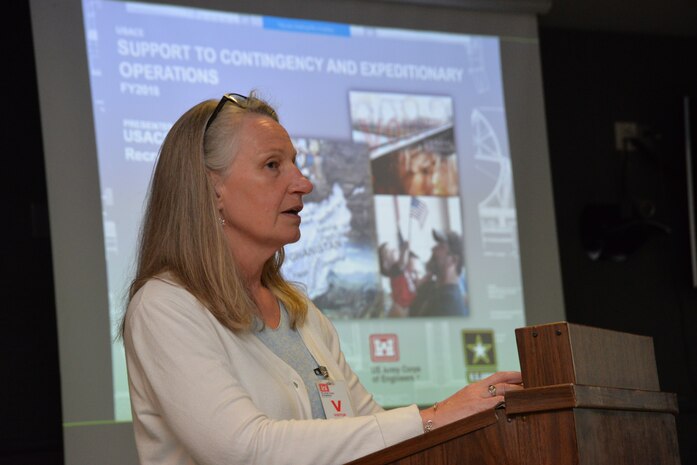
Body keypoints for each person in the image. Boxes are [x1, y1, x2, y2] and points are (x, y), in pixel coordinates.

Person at [122, 92, 521, 465]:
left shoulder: (300, 311)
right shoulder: (165, 306)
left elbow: (370, 428)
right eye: (273, 165)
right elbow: (243, 450)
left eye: (295, 163)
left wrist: (461, 415)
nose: (304, 183)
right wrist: (434, 416)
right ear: (213, 190)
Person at [410, 229, 469, 317]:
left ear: (453, 260)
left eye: (441, 246)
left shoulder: (449, 305)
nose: (432, 248)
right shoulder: (430, 287)